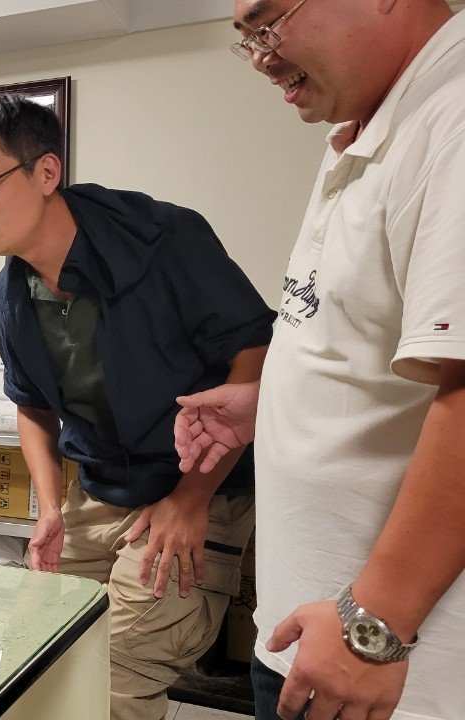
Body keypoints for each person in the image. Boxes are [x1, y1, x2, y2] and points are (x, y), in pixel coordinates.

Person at [0, 94, 274, 720]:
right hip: (96, 489)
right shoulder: (11, 290)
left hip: (194, 482)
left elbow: (254, 349)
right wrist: (48, 509)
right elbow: (32, 407)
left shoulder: (163, 237)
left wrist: (191, 500)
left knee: (118, 672)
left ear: (46, 172)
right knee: (39, 651)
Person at [175, 3, 465, 718]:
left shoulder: (452, 116)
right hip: (314, 631)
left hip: (387, 668)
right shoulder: (366, 126)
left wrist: (377, 627)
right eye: (246, 38)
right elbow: (366, 335)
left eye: (268, 22)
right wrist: (272, 404)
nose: (260, 56)